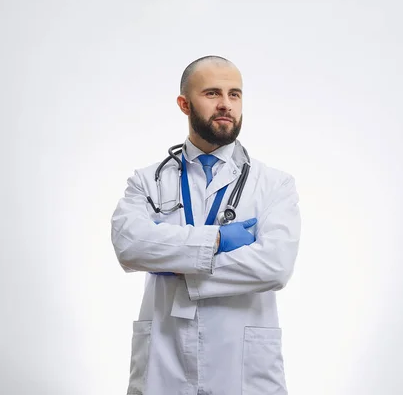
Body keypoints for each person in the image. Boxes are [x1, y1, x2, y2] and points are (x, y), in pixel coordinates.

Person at [110, 55, 301, 395]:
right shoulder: (148, 181)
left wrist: (177, 262)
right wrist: (215, 240)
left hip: (242, 363)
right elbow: (129, 244)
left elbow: (274, 266)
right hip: (164, 359)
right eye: (212, 93)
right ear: (184, 104)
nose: (226, 104)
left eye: (235, 94)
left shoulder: (274, 184)